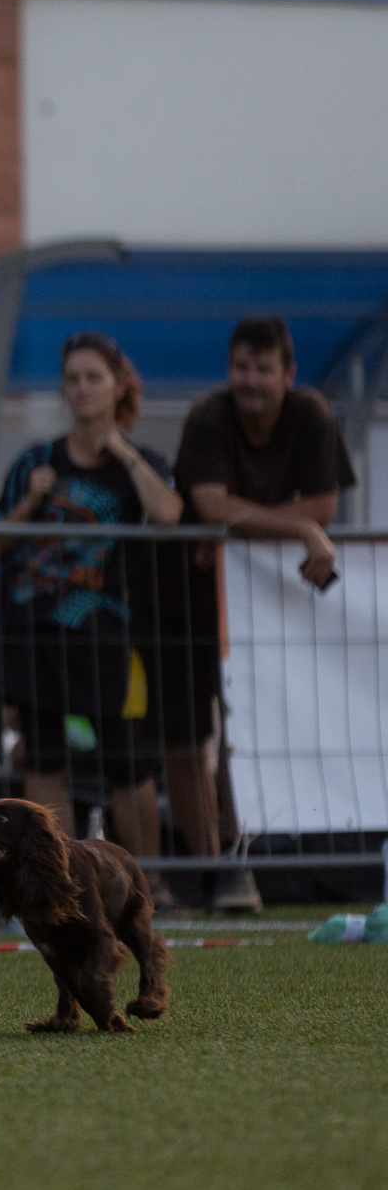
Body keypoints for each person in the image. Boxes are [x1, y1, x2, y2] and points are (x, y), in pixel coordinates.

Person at [164, 315, 356, 914]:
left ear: (288, 373)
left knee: (250, 729)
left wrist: (246, 527)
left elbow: (325, 503)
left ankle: (240, 855)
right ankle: (212, 867)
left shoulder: (312, 415)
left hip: (266, 602)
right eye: (240, 367)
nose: (249, 380)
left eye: (262, 369)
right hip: (185, 595)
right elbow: (209, 503)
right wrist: (297, 528)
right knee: (186, 737)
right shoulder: (208, 416)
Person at [0, 333, 181, 864]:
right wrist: (30, 500)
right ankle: (62, 885)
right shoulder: (36, 460)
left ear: (118, 386)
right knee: (43, 762)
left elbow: (168, 514)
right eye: (72, 379)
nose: (82, 388)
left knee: (128, 761)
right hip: (33, 627)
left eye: (94, 378)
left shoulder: (140, 461)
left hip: (104, 631)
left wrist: (121, 449)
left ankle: (147, 884)